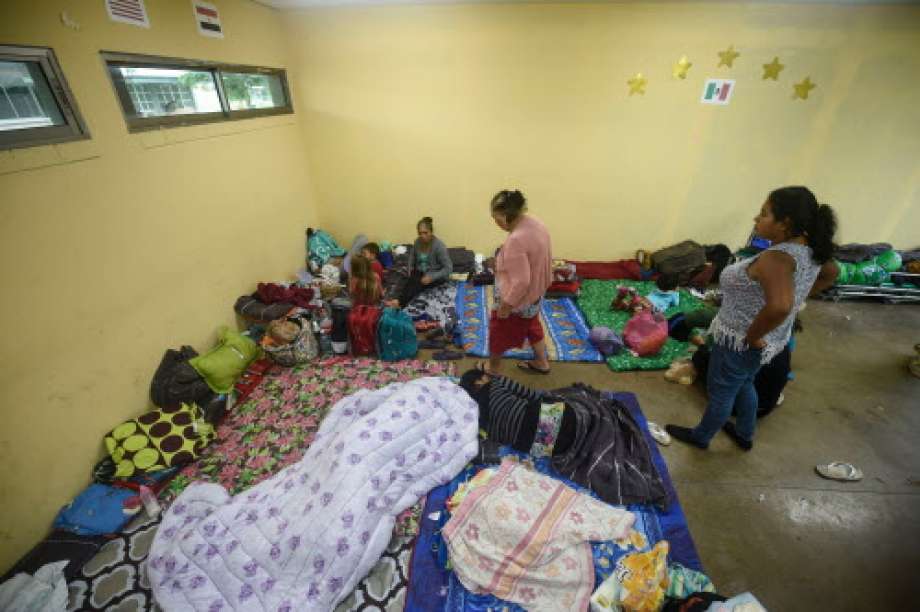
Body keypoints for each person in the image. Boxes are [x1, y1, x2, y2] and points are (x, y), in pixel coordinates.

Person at [666, 186, 839, 451]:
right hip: (769, 341)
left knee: (722, 391)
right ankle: (745, 434)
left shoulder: (777, 258)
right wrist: (796, 299)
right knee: (745, 383)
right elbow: (830, 273)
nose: (756, 219)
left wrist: (753, 335)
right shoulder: (808, 252)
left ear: (785, 223)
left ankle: (701, 437)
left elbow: (780, 306)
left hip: (742, 339)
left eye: (764, 214)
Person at [486, 189, 553, 376]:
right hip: (536, 294)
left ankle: (492, 369)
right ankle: (541, 362)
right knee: (531, 324)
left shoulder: (516, 239)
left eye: (496, 218)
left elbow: (522, 281)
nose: (496, 223)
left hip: (519, 299)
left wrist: (506, 306)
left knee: (498, 331)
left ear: (507, 215)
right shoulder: (536, 223)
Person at [389, 216, 453, 307]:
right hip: (420, 271)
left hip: (435, 274)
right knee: (412, 280)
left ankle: (400, 303)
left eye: (425, 233)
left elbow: (449, 268)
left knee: (416, 283)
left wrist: (432, 277)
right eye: (420, 233)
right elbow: (412, 255)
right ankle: (398, 300)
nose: (423, 236)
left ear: (431, 232)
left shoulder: (439, 246)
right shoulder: (417, 242)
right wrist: (410, 267)